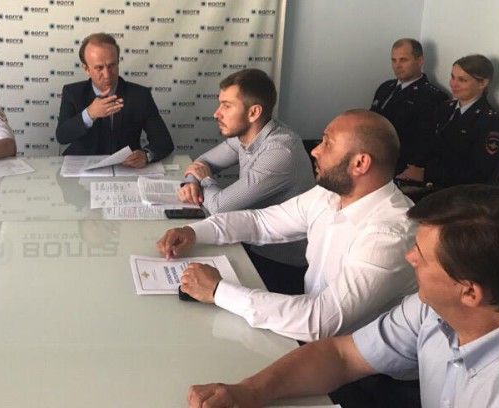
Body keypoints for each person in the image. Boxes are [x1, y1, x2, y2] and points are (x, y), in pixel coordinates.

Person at [186, 185, 499, 408]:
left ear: (469, 292)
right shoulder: (429, 310)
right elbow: (342, 355)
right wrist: (248, 391)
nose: (410, 258)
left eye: (421, 256)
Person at [156, 109, 416, 342]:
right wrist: (194, 232)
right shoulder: (329, 195)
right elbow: (260, 222)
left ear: (360, 163)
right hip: (315, 337)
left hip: (356, 365)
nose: (315, 151)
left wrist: (217, 291)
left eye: (327, 143)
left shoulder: (388, 235)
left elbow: (319, 321)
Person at [179, 68, 314, 294]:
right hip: (252, 244)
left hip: (281, 265)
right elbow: (202, 162)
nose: (216, 114)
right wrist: (191, 182)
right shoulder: (247, 135)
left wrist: (205, 180)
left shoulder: (280, 150)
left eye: (226, 106)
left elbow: (220, 207)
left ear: (253, 113)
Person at [55, 32, 173, 167]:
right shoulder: (72, 93)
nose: (107, 75)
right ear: (86, 68)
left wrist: (146, 155)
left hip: (125, 169)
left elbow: (164, 142)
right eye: (99, 68)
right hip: (83, 169)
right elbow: (62, 136)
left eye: (112, 65)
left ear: (118, 63)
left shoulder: (140, 95)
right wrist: (90, 114)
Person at [397, 54, 499, 188]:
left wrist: (426, 174)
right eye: (452, 77)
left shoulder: (491, 122)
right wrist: (411, 166)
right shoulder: (445, 108)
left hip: (456, 191)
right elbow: (429, 145)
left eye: (462, 80)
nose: (453, 84)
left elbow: (478, 174)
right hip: (429, 180)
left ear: (483, 83)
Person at [370, 38, 447, 174]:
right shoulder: (385, 88)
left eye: (403, 60)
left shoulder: (432, 96)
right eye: (394, 60)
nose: (397, 66)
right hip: (374, 157)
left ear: (420, 60)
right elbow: (372, 120)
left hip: (401, 166)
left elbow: (426, 143)